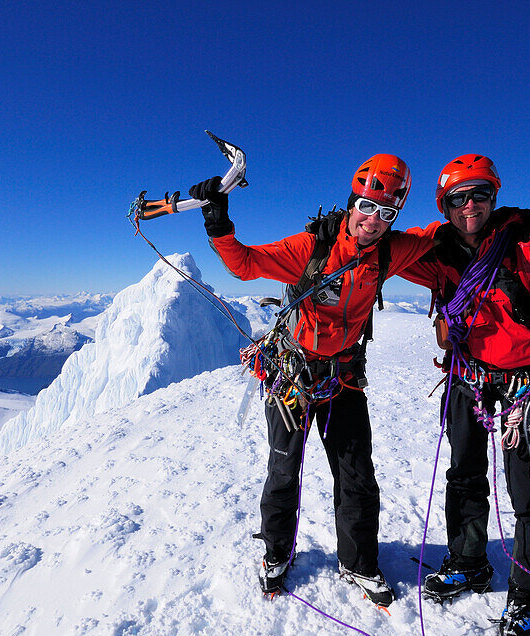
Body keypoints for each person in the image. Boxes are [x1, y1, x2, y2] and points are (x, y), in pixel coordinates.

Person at [189, 155, 442, 606]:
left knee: (357, 475)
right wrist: (218, 224)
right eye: (368, 205)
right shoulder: (312, 250)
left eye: (388, 213)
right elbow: (245, 265)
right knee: (284, 470)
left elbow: (442, 235)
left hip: (343, 379)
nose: (374, 220)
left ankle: (360, 561)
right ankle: (275, 554)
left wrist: (506, 222)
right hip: (293, 377)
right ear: (352, 203)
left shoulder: (390, 251)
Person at [402, 154, 530, 636]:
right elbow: (382, 248)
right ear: (445, 205)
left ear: (495, 195)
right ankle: (469, 562)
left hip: (525, 388)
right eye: (458, 198)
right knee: (464, 473)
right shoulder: (439, 254)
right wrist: (336, 232)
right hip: (469, 377)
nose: (470, 205)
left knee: (529, 491)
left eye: (480, 194)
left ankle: (527, 595)